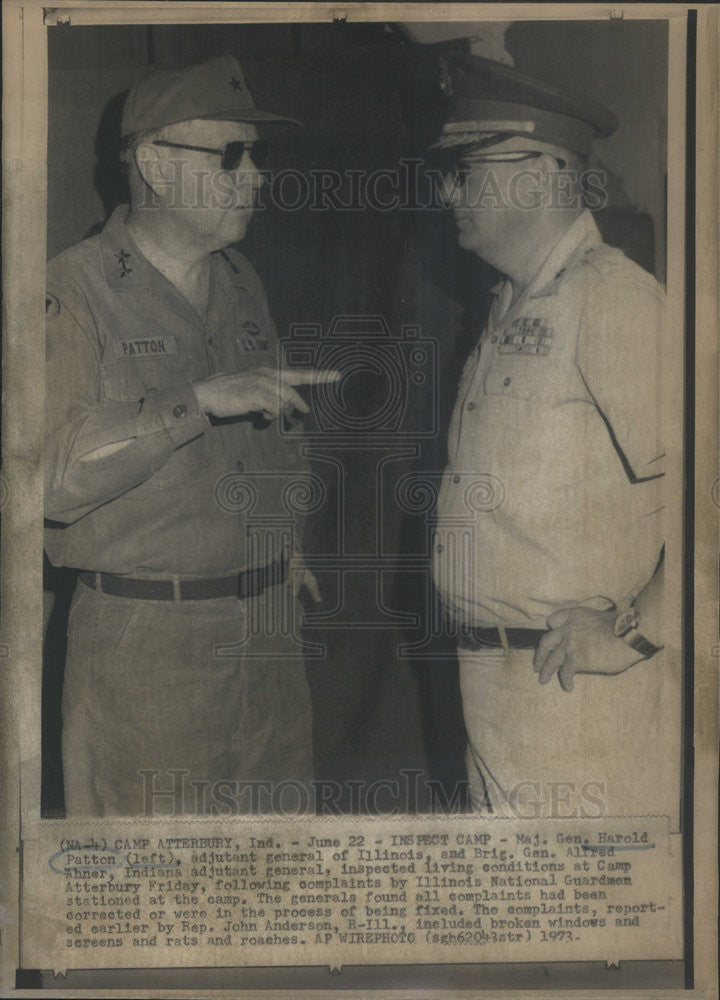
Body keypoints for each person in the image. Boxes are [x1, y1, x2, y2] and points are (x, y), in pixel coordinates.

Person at [45, 55, 339, 817]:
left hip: (266, 640)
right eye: (231, 156)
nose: (256, 177)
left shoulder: (240, 279)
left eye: (258, 156)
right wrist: (197, 400)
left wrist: (288, 541)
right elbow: (46, 476)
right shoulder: (69, 291)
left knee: (274, 893)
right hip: (146, 652)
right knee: (154, 905)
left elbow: (278, 425)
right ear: (154, 164)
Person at [431, 55, 680, 820]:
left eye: (463, 169)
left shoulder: (613, 301)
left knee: (582, 928)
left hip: (577, 705)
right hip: (498, 686)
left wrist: (639, 633)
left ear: (539, 176)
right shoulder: (509, 303)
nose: (446, 191)